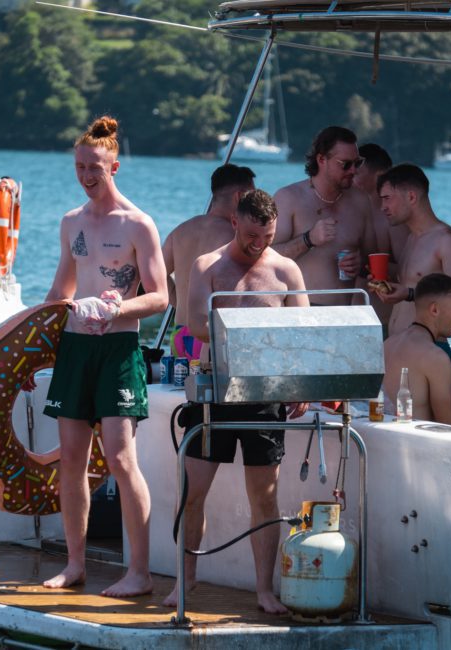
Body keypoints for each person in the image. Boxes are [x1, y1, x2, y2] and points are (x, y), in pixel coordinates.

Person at [38, 116, 168, 597]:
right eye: (79, 167)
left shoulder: (138, 224)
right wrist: (37, 331)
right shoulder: (72, 221)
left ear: (114, 166)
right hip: (75, 346)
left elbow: (160, 297)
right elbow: (61, 288)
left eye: (95, 167)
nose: (86, 175)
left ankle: (140, 572)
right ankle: (75, 565)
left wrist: (117, 308)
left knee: (119, 457)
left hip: (117, 348)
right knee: (71, 459)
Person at [163, 189, 309, 613]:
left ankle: (264, 589)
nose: (258, 243)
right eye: (251, 235)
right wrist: (252, 332)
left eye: (266, 235)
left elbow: (303, 332)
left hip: (265, 396)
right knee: (193, 492)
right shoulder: (207, 266)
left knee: (264, 496)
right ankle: (184, 582)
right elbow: (194, 324)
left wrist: (297, 382)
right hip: (215, 392)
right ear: (234, 224)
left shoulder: (286, 270)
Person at [273, 126, 376, 306]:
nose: (353, 170)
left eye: (357, 163)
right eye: (345, 164)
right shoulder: (288, 198)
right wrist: (307, 239)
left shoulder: (361, 201)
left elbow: (372, 259)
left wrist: (360, 264)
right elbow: (267, 258)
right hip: (299, 313)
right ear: (321, 159)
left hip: (344, 314)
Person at [162, 163, 255, 356]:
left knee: (186, 387)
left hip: (180, 335)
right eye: (251, 197)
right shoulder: (235, 236)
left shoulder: (180, 231)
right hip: (209, 338)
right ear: (239, 196)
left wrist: (181, 303)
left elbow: (154, 277)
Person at [373, 164, 451, 336]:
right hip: (399, 347)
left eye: (387, 198)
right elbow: (416, 278)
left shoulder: (448, 241)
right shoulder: (412, 238)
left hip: (426, 352)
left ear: (411, 197)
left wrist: (409, 294)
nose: (382, 207)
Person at [383, 273, 451, 426]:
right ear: (434, 310)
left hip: (383, 442)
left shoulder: (387, 345)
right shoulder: (435, 357)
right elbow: (449, 426)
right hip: (416, 447)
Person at [353, 143, 407, 333]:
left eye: (357, 173)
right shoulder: (353, 210)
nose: (351, 177)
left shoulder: (394, 220)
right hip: (355, 318)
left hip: (383, 320)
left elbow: (407, 270)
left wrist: (364, 263)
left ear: (379, 176)